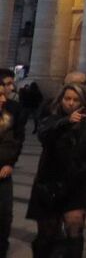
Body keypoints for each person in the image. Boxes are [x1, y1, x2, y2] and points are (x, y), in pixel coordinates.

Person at [27, 85, 86, 258]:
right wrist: (66, 122)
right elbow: (43, 134)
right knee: (47, 235)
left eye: (75, 100)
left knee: (75, 228)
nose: (71, 103)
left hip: (76, 185)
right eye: (67, 99)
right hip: (50, 185)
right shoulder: (52, 119)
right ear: (61, 100)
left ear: (83, 103)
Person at [0, 77, 24, 258]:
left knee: (5, 214)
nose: (3, 99)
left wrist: (10, 163)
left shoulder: (8, 118)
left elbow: (14, 143)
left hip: (3, 173)